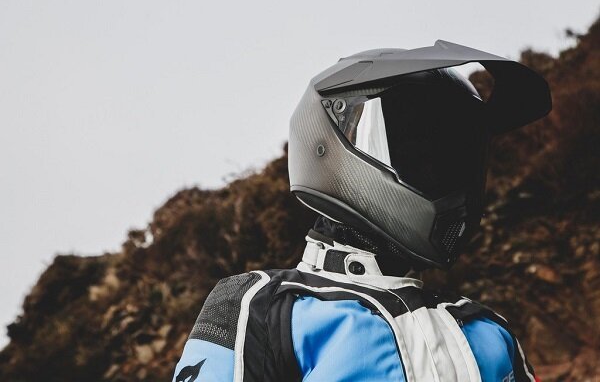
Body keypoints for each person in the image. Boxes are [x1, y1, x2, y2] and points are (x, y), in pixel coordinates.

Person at [172, 41, 551, 382]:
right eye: (419, 154)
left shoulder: (488, 329)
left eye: (455, 158)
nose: (443, 174)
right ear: (330, 146)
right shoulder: (264, 309)